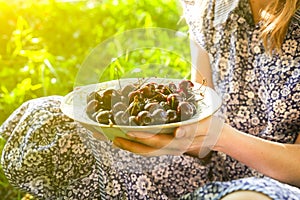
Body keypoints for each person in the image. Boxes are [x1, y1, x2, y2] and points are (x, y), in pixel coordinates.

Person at [0, 0, 299, 199]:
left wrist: (221, 137)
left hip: (275, 187)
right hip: (207, 167)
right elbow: (200, 98)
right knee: (50, 123)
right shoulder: (213, 5)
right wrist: (172, 133)